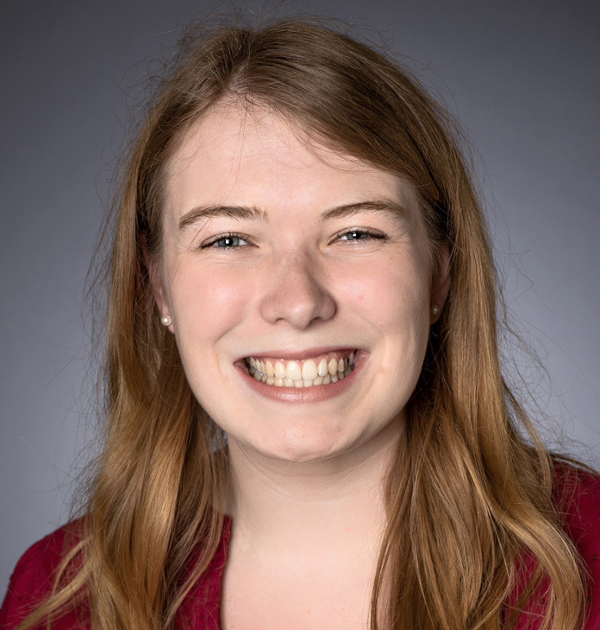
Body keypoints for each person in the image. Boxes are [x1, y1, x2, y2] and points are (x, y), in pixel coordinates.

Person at [1, 16, 599, 630]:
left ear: (439, 274)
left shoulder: (588, 556)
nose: (298, 300)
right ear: (158, 287)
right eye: (230, 238)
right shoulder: (56, 597)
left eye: (356, 232)